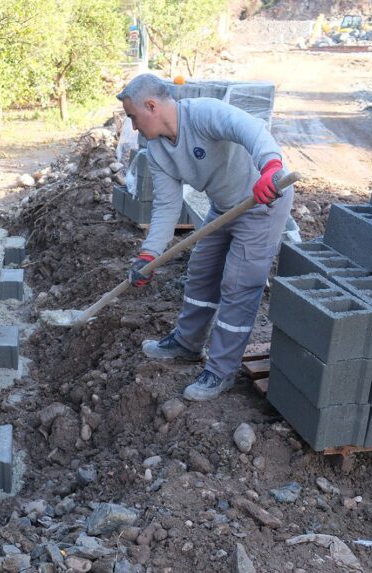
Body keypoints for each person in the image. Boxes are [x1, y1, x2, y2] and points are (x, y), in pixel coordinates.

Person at [117, 73, 294, 402]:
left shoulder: (203, 114)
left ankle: (221, 370)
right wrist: (149, 255)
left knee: (239, 284)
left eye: (133, 118)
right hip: (225, 206)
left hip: (262, 201)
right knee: (202, 271)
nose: (135, 127)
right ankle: (187, 343)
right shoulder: (157, 151)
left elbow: (251, 129)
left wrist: (271, 167)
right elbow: (167, 206)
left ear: (151, 106)